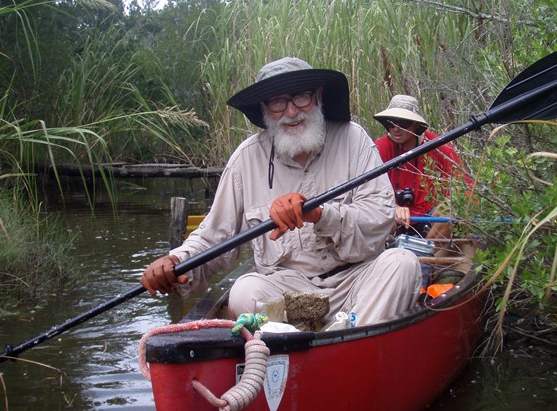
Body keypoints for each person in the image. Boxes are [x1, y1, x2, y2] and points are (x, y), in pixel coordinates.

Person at [140, 57, 421, 326]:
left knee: (402, 263)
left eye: (301, 97)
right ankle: (292, 343)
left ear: (318, 96)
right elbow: (215, 237)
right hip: (286, 287)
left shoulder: (353, 138)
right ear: (264, 109)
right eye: (277, 102)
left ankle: (349, 339)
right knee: (244, 290)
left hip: (356, 281)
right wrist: (177, 262)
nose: (291, 112)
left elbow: (380, 219)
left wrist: (319, 214)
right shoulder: (245, 159)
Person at [373, 94, 470, 237]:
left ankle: (426, 253)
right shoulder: (378, 148)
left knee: (449, 212)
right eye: (391, 123)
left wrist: (449, 203)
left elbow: (465, 188)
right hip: (395, 221)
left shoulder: (438, 146)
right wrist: (391, 206)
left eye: (403, 123)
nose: (396, 129)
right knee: (381, 215)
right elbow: (365, 192)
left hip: (429, 221)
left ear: (416, 125)